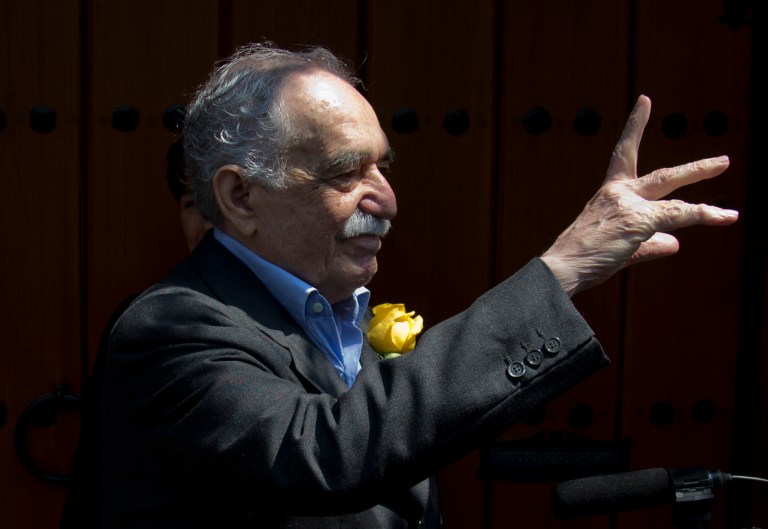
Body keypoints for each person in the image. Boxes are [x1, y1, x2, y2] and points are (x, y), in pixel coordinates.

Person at [100, 43, 738, 529]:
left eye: (383, 164)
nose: (386, 199)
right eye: (347, 172)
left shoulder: (339, 312)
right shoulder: (171, 330)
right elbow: (325, 452)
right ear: (240, 196)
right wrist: (560, 270)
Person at [60, 137, 211, 529]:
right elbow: (95, 471)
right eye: (192, 204)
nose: (207, 225)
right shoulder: (150, 320)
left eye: (219, 205)